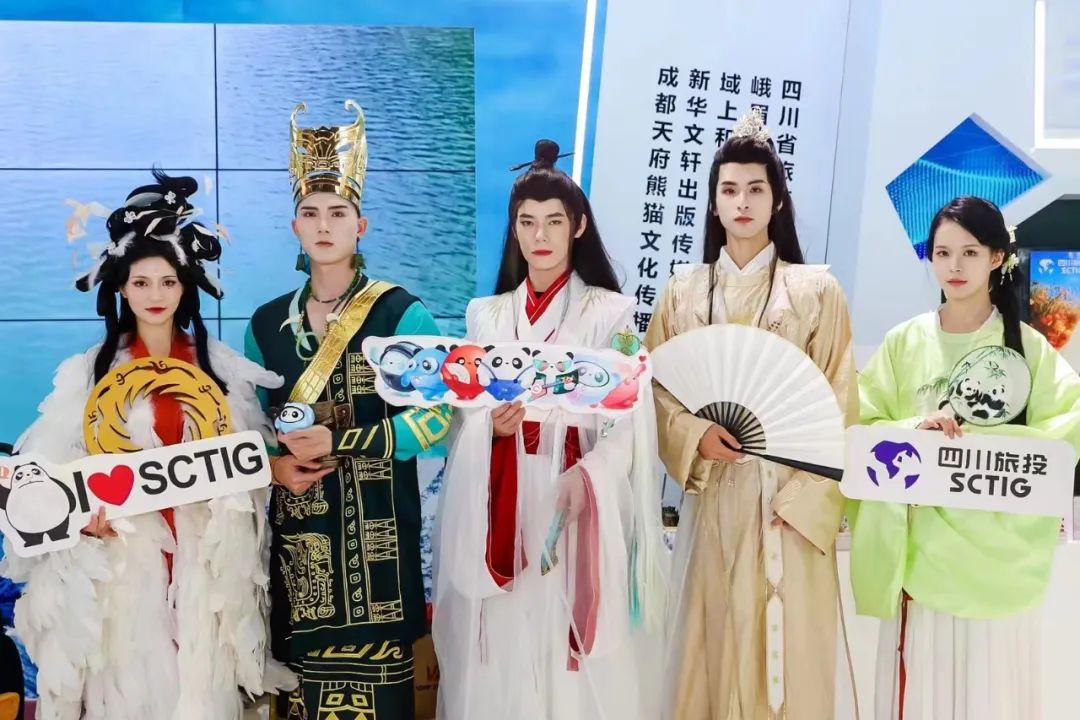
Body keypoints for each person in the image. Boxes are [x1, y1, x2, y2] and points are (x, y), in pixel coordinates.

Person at [0, 171, 291, 719]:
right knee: (131, 691)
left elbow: (248, 468)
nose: (155, 296)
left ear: (185, 287)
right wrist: (82, 522)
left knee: (200, 688)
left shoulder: (221, 370)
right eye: (141, 283)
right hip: (125, 559)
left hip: (202, 557)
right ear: (121, 288)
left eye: (167, 282)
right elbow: (57, 478)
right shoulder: (89, 374)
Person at [432, 140, 667, 720]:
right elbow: (465, 415)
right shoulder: (485, 315)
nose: (540, 235)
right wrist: (491, 429)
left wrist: (589, 477)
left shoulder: (611, 312)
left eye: (554, 221)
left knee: (570, 650)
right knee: (505, 644)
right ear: (513, 228)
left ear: (578, 226)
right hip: (504, 493)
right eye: (527, 222)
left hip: (576, 496)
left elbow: (630, 418)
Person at [644, 109, 858, 720]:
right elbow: (656, 390)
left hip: (786, 503)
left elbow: (839, 402)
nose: (742, 202)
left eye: (756, 189)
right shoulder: (683, 292)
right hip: (712, 496)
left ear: (777, 201)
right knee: (705, 650)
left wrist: (801, 500)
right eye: (729, 189)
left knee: (784, 657)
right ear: (713, 203)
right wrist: (694, 434)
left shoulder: (816, 291)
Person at [245, 100, 451, 720]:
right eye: (311, 213)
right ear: (295, 226)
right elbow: (253, 427)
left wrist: (344, 442)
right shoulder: (265, 326)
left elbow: (435, 419)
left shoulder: (401, 313)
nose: (324, 225)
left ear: (361, 225)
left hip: (376, 557)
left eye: (338, 213)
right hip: (298, 551)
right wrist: (276, 465)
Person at [849, 196, 1080, 720]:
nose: (954, 266)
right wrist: (916, 431)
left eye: (970, 253)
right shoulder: (904, 342)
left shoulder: (1028, 347)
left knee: (991, 697)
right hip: (921, 554)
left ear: (997, 257)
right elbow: (861, 428)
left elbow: (1067, 428)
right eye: (943, 253)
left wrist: (984, 445)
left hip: (998, 556)